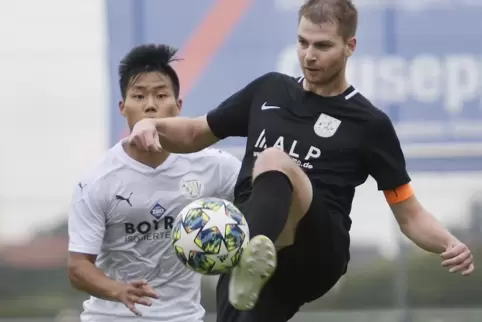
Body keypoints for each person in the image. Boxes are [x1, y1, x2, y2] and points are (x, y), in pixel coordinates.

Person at [127, 0, 475, 321]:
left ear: (349, 46)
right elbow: (193, 132)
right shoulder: (269, 90)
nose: (309, 55)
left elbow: (409, 213)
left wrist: (449, 243)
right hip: (255, 247)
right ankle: (249, 259)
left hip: (316, 251)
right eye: (303, 42)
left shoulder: (369, 123)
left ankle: (248, 252)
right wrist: (150, 123)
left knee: (276, 160)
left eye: (322, 45)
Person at [67, 44, 241, 322]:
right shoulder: (97, 181)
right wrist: (118, 290)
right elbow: (77, 267)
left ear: (178, 106)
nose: (150, 104)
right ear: (123, 108)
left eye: (161, 95)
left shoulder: (215, 166)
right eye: (139, 96)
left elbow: (264, 195)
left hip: (183, 317)